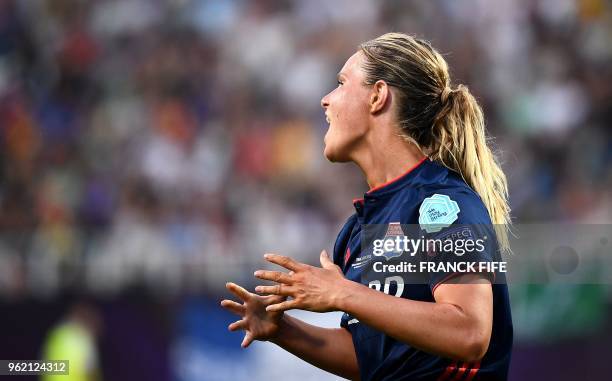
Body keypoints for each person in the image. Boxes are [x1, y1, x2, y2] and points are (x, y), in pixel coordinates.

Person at [221, 33, 512, 381]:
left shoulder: (443, 205)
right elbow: (374, 360)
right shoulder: (357, 231)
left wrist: (344, 293)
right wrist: (283, 331)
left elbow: (469, 333)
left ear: (378, 96)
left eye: (341, 83)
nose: (325, 100)